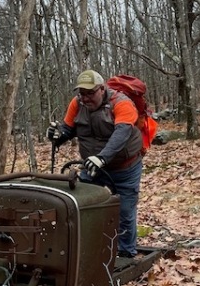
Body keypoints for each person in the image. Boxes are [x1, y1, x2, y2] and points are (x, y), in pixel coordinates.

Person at [47, 69, 143, 259]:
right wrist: (57, 135)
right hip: (92, 168)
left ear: (102, 89)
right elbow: (68, 129)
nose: (86, 98)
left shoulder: (121, 103)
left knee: (124, 211)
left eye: (90, 93)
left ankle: (126, 254)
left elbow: (122, 134)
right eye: (82, 93)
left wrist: (102, 158)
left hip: (124, 168)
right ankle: (89, 250)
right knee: (84, 207)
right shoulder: (77, 104)